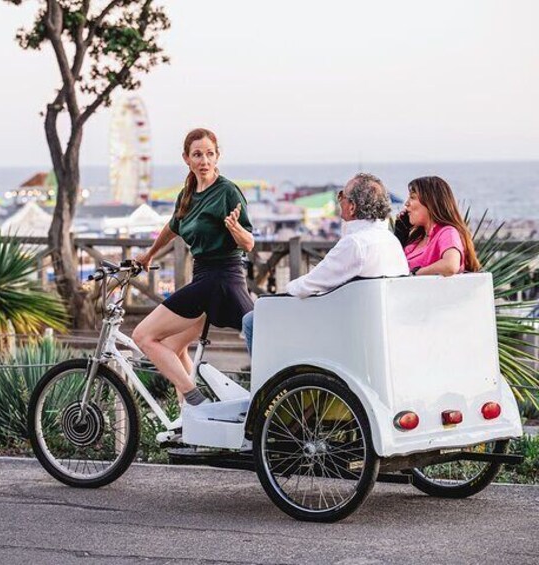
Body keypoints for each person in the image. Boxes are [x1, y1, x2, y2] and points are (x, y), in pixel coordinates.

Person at [133, 128, 254, 407]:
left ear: (217, 156)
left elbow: (248, 243)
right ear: (186, 158)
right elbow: (173, 226)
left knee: (143, 336)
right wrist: (149, 254)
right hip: (203, 278)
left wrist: (235, 229)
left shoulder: (226, 191)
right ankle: (190, 423)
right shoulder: (188, 193)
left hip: (221, 279)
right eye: (197, 154)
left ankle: (194, 399)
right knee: (173, 348)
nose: (204, 160)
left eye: (209, 154)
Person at [242, 173, 409, 354]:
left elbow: (308, 285)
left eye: (341, 196)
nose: (339, 201)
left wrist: (279, 295)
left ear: (352, 207)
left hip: (340, 324)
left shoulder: (355, 243)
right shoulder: (390, 240)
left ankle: (264, 379)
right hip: (371, 322)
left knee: (253, 320)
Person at [395, 175, 480, 276]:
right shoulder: (417, 239)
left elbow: (450, 266)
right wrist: (400, 236)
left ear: (430, 202)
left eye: (412, 197)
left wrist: (414, 274)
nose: (406, 203)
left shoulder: (447, 232)